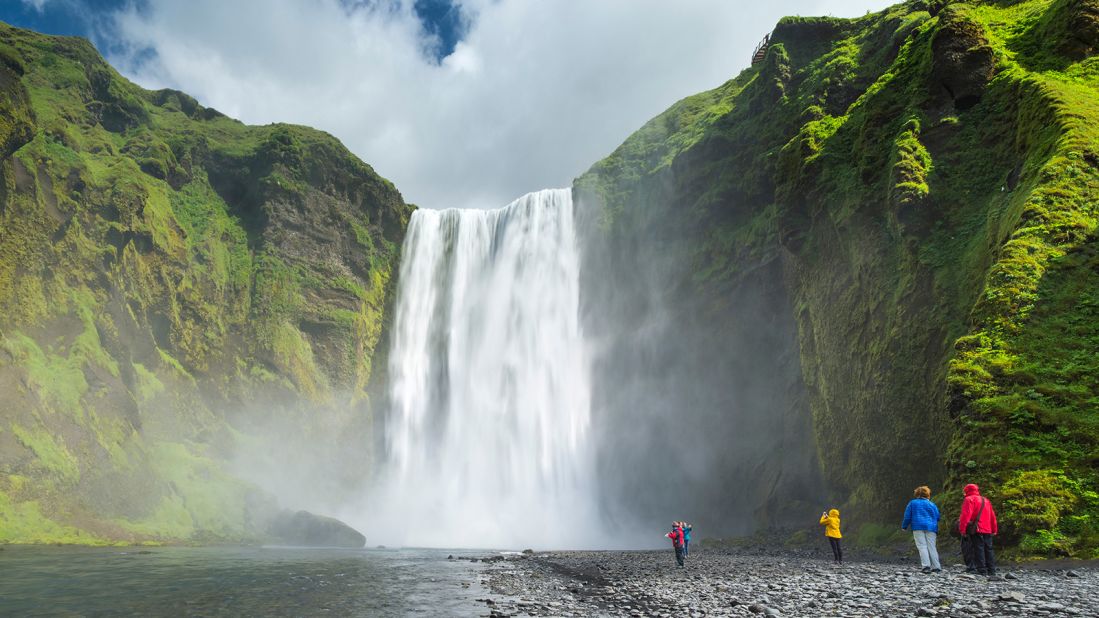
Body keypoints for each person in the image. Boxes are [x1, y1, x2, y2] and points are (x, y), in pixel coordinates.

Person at [958, 483, 998, 576]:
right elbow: (992, 516)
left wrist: (962, 530)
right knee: (989, 549)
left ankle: (982, 570)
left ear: (966, 491)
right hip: (987, 529)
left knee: (978, 548)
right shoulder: (986, 500)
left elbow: (965, 516)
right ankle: (992, 570)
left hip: (977, 529)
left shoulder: (968, 499)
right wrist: (994, 529)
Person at [901, 485, 942, 573]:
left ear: (917, 494)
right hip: (931, 527)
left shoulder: (912, 503)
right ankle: (936, 567)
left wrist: (904, 526)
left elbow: (907, 516)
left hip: (918, 526)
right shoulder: (932, 504)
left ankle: (926, 566)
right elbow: (938, 517)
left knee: (922, 546)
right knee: (932, 547)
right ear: (927, 494)